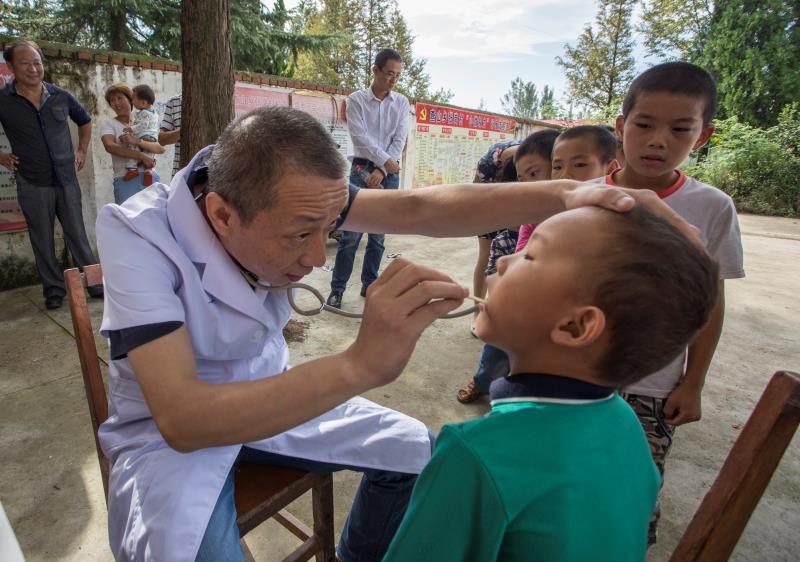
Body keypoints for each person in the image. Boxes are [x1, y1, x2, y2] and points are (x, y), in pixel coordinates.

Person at [95, 104, 687, 562]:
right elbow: (184, 419)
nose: (315, 260)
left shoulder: (290, 188)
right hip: (165, 441)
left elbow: (418, 209)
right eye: (301, 235)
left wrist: (568, 192)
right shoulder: (138, 235)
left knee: (421, 457)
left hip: (278, 392)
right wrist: (361, 365)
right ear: (222, 214)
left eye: (329, 229)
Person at [384, 205, 720, 562]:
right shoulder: (624, 422)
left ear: (574, 327)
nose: (501, 262)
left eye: (530, 255)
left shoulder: (475, 454)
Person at [602, 61, 745, 545]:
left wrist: (694, 382)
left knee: (636, 486)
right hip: (575, 371)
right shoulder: (582, 196)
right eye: (644, 125)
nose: (658, 140)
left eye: (680, 129)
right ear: (621, 127)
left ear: (702, 136)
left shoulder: (711, 208)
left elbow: (710, 301)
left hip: (654, 384)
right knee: (567, 479)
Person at [454, 130, 557, 405]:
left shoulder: (577, 214)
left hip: (551, 303)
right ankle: (482, 381)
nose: (527, 185)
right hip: (522, 296)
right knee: (497, 347)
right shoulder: (528, 216)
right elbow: (519, 251)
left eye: (535, 174)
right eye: (522, 179)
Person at [0, 40, 101, 309]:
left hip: (66, 179)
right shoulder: (4, 100)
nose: (33, 69)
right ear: (10, 67)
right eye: (25, 63)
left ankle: (93, 282)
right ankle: (54, 290)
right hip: (32, 181)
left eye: (37, 62)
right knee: (42, 237)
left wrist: (81, 149)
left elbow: (85, 121)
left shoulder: (60, 95)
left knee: (77, 233)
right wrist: (1, 156)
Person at [326, 48, 410, 309]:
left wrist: (383, 169)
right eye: (388, 74)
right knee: (351, 235)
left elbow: (400, 139)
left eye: (397, 75)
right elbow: (360, 137)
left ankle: (369, 285)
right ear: (375, 70)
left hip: (388, 173)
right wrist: (382, 162)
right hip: (361, 170)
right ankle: (337, 289)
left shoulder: (402, 103)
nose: (392, 80)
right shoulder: (357, 100)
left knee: (378, 237)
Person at [468, 139, 521, 336]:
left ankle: (498, 313)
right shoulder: (486, 165)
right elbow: (473, 195)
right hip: (487, 207)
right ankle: (478, 313)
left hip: (518, 209)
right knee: (487, 257)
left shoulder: (534, 156)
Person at [99, 83, 165, 204]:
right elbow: (110, 146)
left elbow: (160, 148)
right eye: (112, 100)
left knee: (154, 219)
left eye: (120, 98)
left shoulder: (145, 119)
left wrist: (138, 141)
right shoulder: (108, 123)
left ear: (130, 99)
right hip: (125, 179)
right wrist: (141, 156)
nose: (116, 103)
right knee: (127, 220)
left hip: (150, 178)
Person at [121, 84, 160, 187]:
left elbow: (142, 125)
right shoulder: (155, 113)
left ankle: (132, 169)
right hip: (152, 137)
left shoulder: (144, 113)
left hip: (143, 135)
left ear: (143, 102)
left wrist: (130, 128)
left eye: (133, 99)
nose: (132, 102)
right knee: (148, 155)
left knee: (132, 147)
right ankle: (148, 171)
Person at [158, 93, 182, 177]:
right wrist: (184, 131)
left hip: (213, 173)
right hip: (181, 172)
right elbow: (161, 139)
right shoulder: (174, 101)